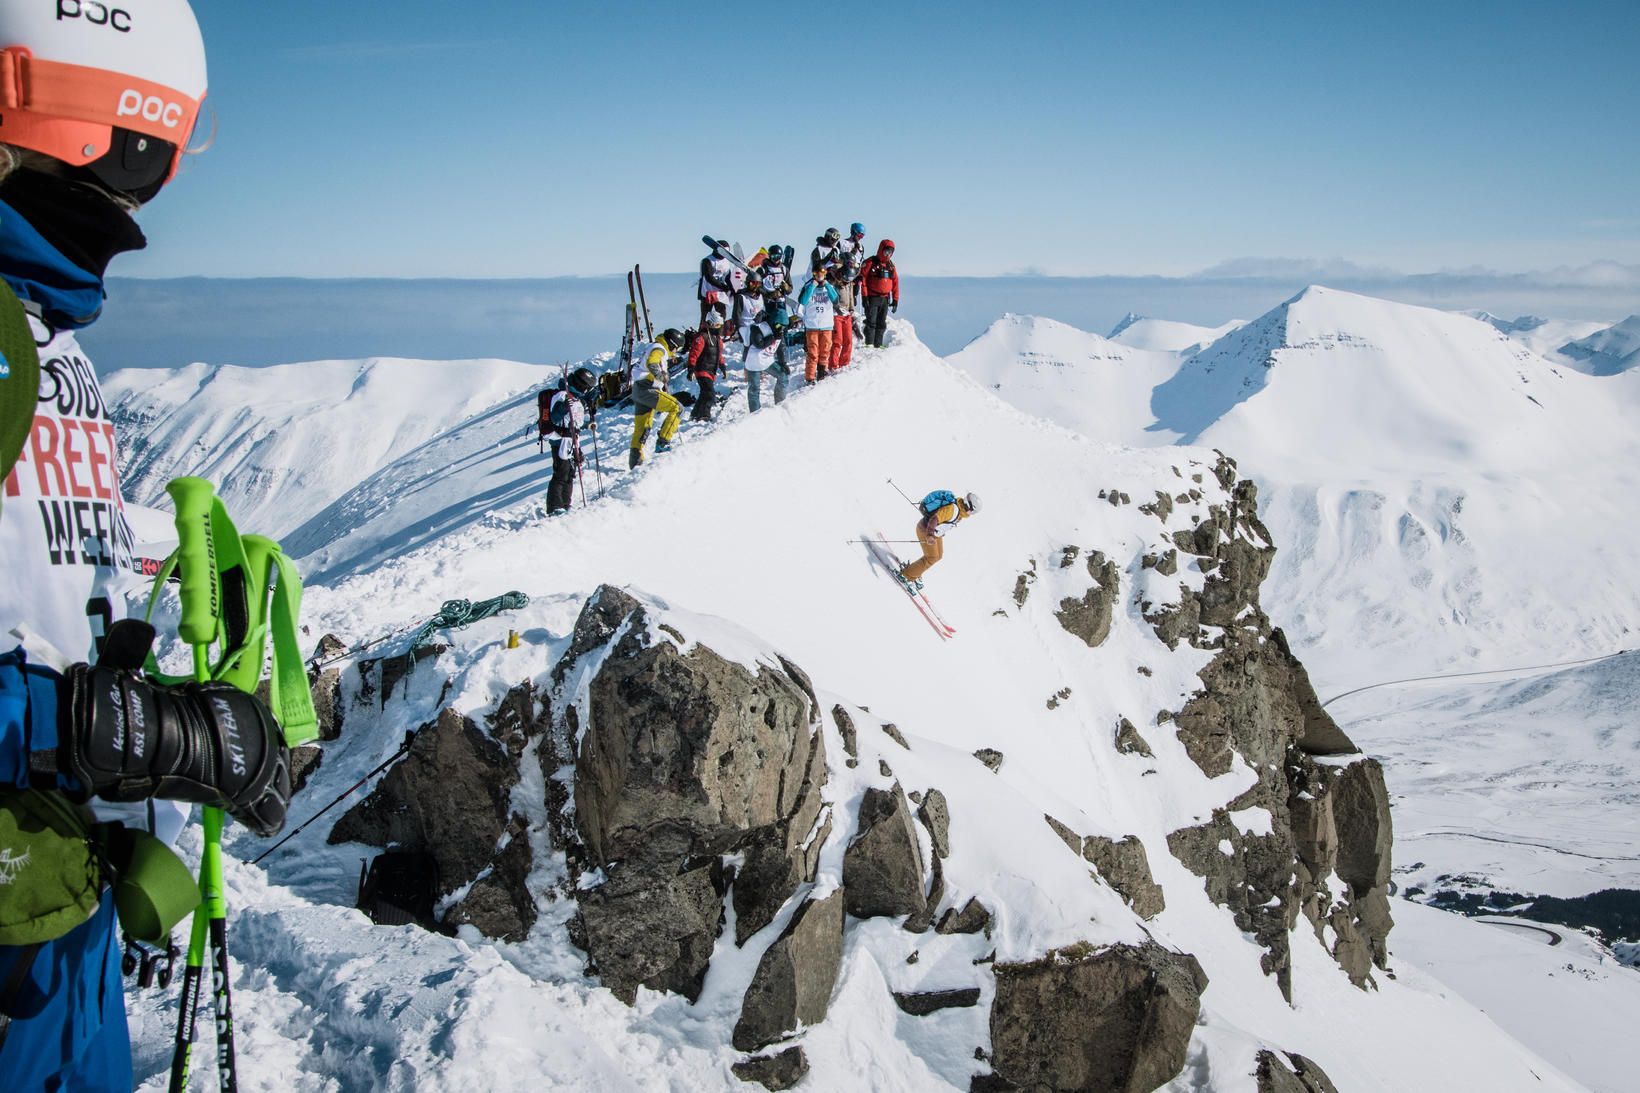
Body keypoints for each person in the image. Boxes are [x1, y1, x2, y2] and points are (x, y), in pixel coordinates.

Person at [0, 3, 296, 1087]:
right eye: (122, 162)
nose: (125, 207)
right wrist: (101, 725)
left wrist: (129, 764)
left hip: (50, 927)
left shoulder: (47, 339)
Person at [898, 491, 982, 593]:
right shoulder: (953, 510)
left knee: (938, 556)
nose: (971, 515)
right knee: (931, 557)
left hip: (935, 534)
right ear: (969, 507)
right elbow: (934, 519)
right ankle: (906, 575)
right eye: (973, 512)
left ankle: (914, 570)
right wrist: (929, 535)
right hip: (925, 530)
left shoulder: (959, 511)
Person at [543, 367, 597, 515]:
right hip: (560, 441)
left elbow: (574, 421)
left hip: (572, 440)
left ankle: (565, 504)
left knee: (570, 472)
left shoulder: (576, 399)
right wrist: (564, 407)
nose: (586, 390)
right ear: (580, 385)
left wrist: (587, 425)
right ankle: (555, 507)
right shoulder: (561, 396)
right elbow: (555, 418)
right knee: (561, 472)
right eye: (586, 387)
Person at [630, 328, 685, 468]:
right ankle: (663, 442)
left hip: (638, 389)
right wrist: (661, 376)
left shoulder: (654, 345)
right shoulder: (660, 349)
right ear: (672, 344)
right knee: (678, 408)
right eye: (676, 349)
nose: (675, 352)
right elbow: (652, 362)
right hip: (648, 388)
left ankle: (635, 461)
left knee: (642, 427)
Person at [798, 266, 839, 383]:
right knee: (813, 353)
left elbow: (835, 299)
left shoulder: (829, 287)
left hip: (826, 325)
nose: (820, 275)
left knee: (825, 351)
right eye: (817, 273)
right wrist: (813, 286)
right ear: (813, 274)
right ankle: (810, 377)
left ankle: (822, 372)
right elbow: (803, 301)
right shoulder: (808, 286)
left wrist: (826, 285)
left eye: (822, 273)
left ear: (825, 273)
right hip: (812, 325)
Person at [860, 239, 899, 348]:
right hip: (872, 297)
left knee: (881, 322)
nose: (888, 255)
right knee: (871, 321)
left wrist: (895, 299)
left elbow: (895, 282)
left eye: (891, 252)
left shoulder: (891, 266)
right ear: (881, 250)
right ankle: (869, 344)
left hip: (885, 298)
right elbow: (862, 278)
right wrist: (864, 296)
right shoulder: (870, 262)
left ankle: (878, 344)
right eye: (886, 251)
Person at [687, 313, 726, 422]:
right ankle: (704, 415)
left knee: (704, 393)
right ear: (710, 324)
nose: (718, 327)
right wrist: (691, 368)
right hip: (701, 369)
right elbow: (693, 354)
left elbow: (719, 354)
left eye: (720, 325)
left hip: (710, 371)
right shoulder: (702, 337)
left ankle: (695, 414)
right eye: (716, 325)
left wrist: (722, 366)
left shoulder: (717, 339)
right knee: (709, 394)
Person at [698, 238, 733, 326]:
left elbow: (728, 277)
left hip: (720, 294)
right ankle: (702, 335)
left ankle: (719, 335)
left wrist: (732, 288)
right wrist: (724, 287)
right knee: (705, 316)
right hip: (707, 293)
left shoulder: (726, 262)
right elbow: (709, 277)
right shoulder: (707, 261)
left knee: (721, 316)